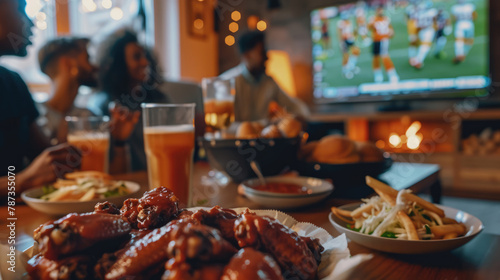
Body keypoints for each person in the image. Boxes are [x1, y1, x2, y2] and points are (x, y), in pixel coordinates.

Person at [89, 29, 204, 170]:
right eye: (137, 57)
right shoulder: (103, 105)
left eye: (145, 56)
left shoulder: (157, 98)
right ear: (118, 64)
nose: (145, 62)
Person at [0, 0, 80, 197]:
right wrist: (18, 182)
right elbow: (28, 177)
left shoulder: (13, 82)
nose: (32, 23)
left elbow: (47, 157)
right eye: (21, 10)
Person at [219, 31, 309, 122]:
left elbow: (296, 107)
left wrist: (298, 119)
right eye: (262, 52)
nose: (267, 58)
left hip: (263, 135)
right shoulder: (226, 82)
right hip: (234, 136)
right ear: (247, 55)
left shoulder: (268, 82)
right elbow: (223, 126)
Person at [36, 37, 97, 144]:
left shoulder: (89, 116)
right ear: (69, 64)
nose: (95, 67)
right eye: (87, 58)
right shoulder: (34, 117)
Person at [368, 6, 399, 83]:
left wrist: (390, 33)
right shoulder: (373, 19)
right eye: (378, 9)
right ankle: (378, 75)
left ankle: (392, 75)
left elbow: (392, 31)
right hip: (375, 40)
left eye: (381, 9)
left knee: (385, 56)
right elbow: (367, 29)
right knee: (375, 57)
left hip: (384, 40)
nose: (380, 11)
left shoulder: (386, 19)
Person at [337, 11, 361, 79]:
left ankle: (351, 66)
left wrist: (353, 36)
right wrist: (341, 42)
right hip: (344, 40)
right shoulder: (340, 23)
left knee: (356, 51)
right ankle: (345, 70)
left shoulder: (349, 22)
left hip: (350, 39)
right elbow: (339, 33)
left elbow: (351, 31)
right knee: (346, 55)